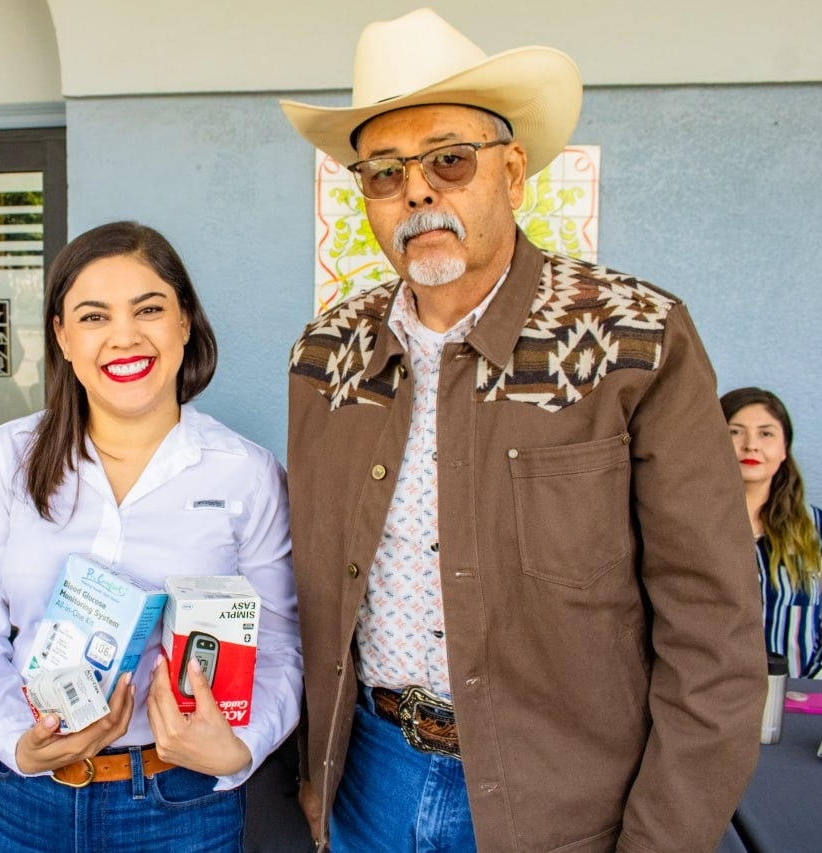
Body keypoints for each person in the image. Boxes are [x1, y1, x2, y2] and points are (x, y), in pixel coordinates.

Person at [279, 9, 764, 851]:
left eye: (449, 159)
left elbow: (713, 637)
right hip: (369, 786)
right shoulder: (327, 355)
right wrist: (315, 778)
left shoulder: (636, 338)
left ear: (512, 172)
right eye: (385, 172)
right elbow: (312, 596)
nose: (417, 191)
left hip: (567, 801)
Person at [0, 221, 302, 852]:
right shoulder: (12, 456)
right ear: (62, 337)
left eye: (149, 309)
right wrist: (17, 741)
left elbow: (281, 644)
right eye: (94, 316)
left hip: (181, 801)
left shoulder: (246, 472)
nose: (123, 336)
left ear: (185, 322)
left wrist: (240, 746)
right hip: (31, 800)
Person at [722, 387, 822, 678]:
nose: (751, 445)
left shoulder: (816, 529)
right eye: (735, 432)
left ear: (784, 449)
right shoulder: (683, 529)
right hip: (710, 699)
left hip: (801, 696)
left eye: (766, 433)